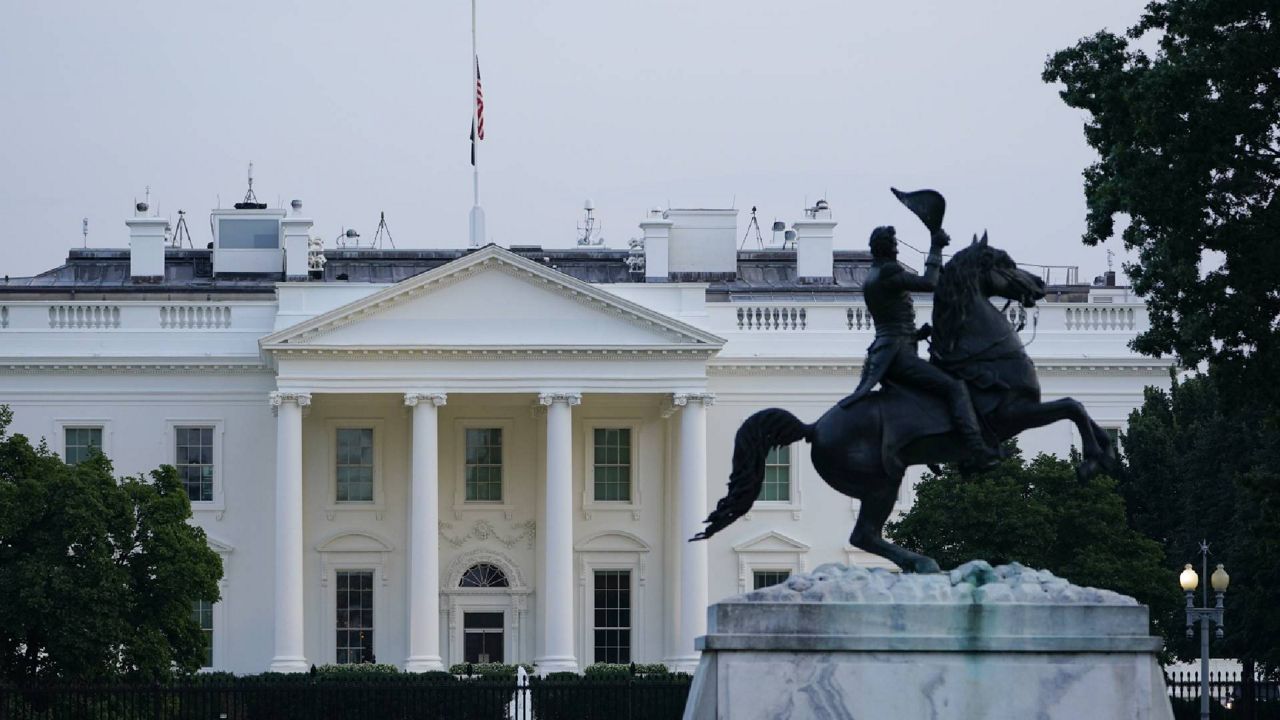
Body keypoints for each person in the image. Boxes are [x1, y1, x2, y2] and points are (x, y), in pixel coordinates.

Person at [837, 225, 1000, 471]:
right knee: (954, 387)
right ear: (888, 247)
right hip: (898, 352)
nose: (897, 247)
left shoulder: (872, 275)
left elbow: (890, 319)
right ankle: (977, 449)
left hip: (889, 347)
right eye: (894, 243)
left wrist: (916, 334)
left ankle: (931, 447)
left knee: (927, 392)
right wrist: (936, 246)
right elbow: (929, 283)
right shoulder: (888, 272)